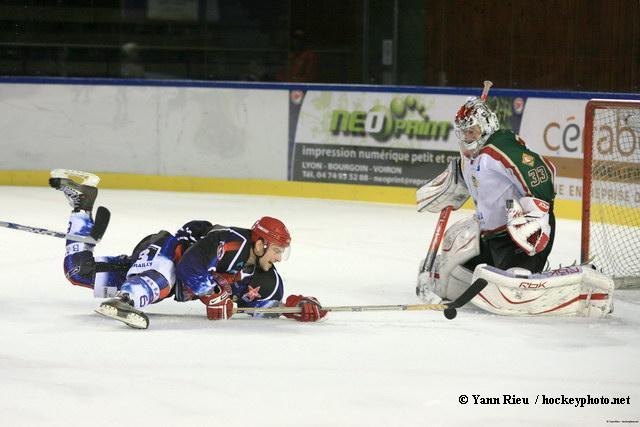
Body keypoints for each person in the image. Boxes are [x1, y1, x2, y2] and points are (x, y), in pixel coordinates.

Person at [415, 95, 613, 317]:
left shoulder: (500, 146)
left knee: (516, 281)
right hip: (490, 238)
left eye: (472, 131)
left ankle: (585, 281)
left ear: (487, 125)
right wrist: (453, 185)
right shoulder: (469, 156)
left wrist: (537, 213)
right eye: (464, 132)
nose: (468, 137)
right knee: (453, 273)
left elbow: (543, 171)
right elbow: (472, 177)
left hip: (520, 235)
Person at [49, 171, 327, 328]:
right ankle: (126, 300)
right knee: (164, 277)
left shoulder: (268, 281)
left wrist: (298, 307)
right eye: (276, 250)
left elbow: (266, 308)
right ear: (260, 243)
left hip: (164, 281)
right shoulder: (232, 241)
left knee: (78, 271)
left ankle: (81, 207)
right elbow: (189, 267)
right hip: (165, 252)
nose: (279, 258)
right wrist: (214, 296)